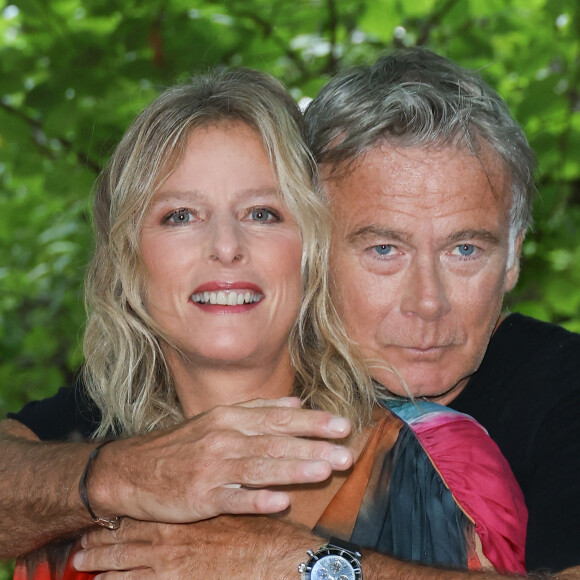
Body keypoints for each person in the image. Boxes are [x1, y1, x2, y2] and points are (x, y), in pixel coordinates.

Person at [1, 49, 576, 578]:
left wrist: (291, 561)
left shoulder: (531, 407)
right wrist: (120, 478)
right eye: (383, 249)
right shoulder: (113, 434)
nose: (427, 303)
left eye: (464, 250)